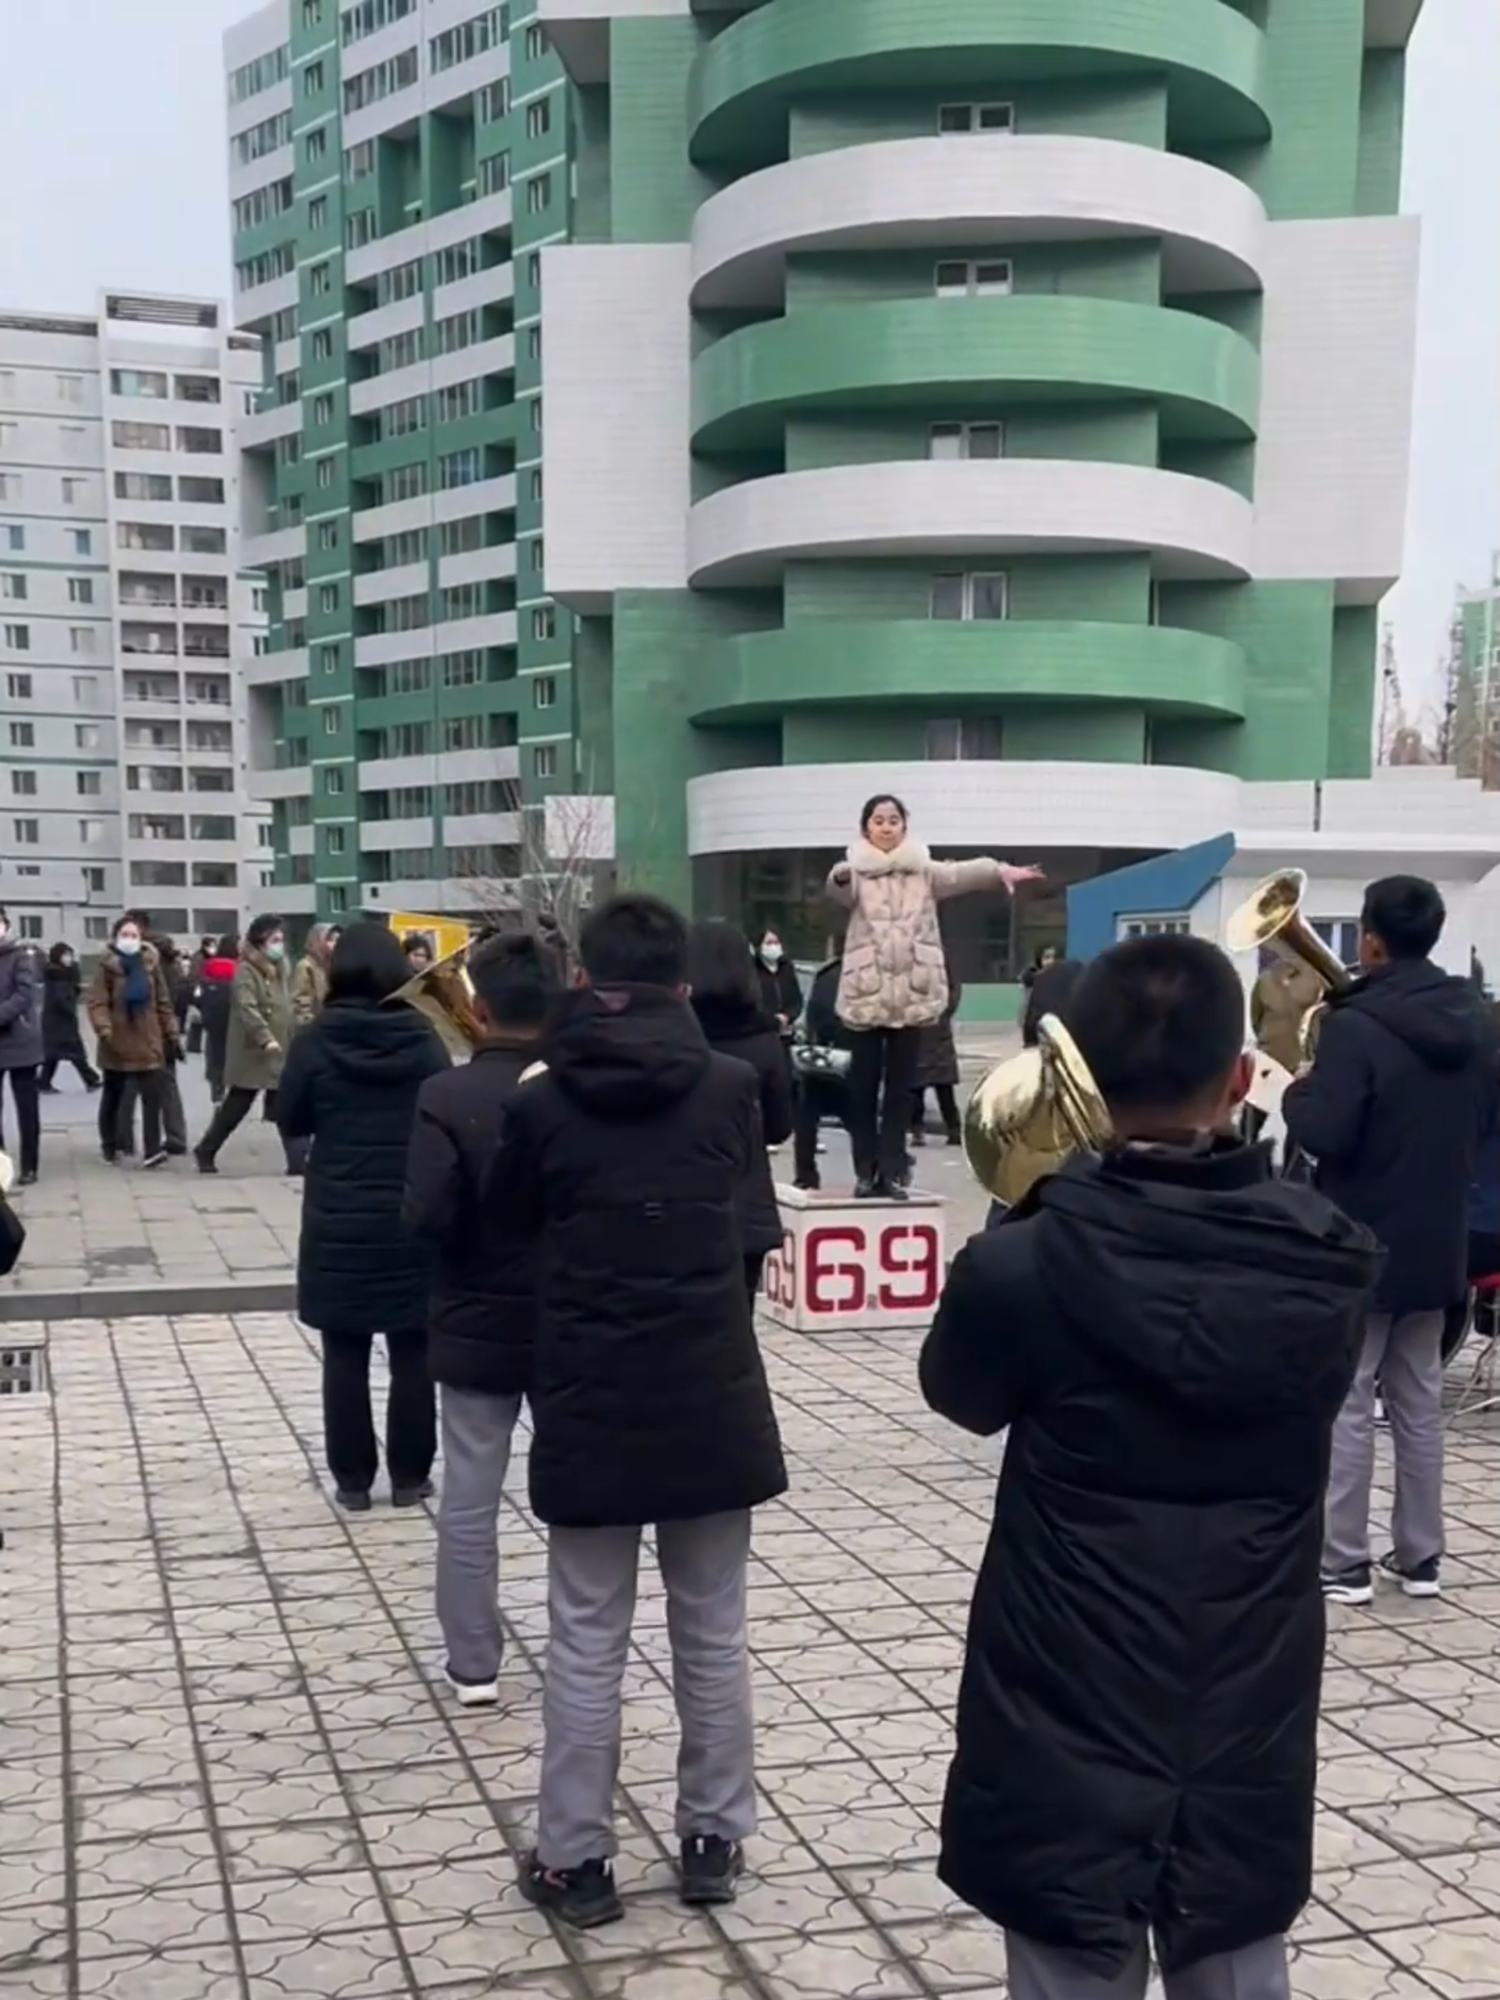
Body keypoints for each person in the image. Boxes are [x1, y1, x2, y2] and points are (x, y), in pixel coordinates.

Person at [922, 934, 1382, 2000]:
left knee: (1068, 1955)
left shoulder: (1023, 1262)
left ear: (1077, 1068)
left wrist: (1036, 1201)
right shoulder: (1329, 1257)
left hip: (1060, 1682)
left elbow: (958, 1391)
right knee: (1235, 1947)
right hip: (1247, 1684)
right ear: (1237, 1077)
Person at [487, 893, 787, 1929]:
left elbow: (506, 1224)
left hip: (590, 1391)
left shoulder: (539, 1102)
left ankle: (575, 1859)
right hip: (710, 1389)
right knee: (712, 1628)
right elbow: (754, 1230)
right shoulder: (732, 1088)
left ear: (586, 977)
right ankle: (712, 1838)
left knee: (584, 1633)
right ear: (682, 984)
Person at [1283, 876, 1498, 1605]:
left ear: (1370, 939)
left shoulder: (1354, 1024)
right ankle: (1422, 1558)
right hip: (1442, 1233)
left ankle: (1344, 1561)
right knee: (1418, 1400)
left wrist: (1296, 1092)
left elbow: (1328, 1133)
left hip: (1360, 1237)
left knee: (1348, 1401)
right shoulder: (1477, 1016)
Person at [403, 931, 562, 1704]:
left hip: (471, 1319)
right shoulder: (574, 1089)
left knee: (468, 1495)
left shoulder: (446, 1095)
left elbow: (425, 1214)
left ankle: (473, 1665)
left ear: (478, 1005)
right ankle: (583, 1648)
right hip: (567, 1322)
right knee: (577, 1496)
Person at [278, 923, 450, 1509]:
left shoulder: (313, 1041)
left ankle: (352, 1481)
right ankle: (409, 1476)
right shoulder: (423, 1038)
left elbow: (293, 1119)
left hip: (339, 1215)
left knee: (344, 1350)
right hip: (409, 1211)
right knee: (413, 1349)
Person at [827, 794, 1041, 1199]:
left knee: (901, 1091)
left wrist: (1000, 871)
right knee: (861, 1088)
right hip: (867, 993)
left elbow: (962, 874)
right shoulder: (854, 872)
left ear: (904, 826)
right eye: (878, 820)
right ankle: (863, 1170)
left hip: (912, 994)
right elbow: (837, 889)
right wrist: (840, 876)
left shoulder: (924, 872)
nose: (886, 827)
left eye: (894, 819)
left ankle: (891, 1172)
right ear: (865, 828)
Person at [687, 921, 795, 1304]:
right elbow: (780, 1127)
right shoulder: (764, 1039)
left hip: (680, 1207)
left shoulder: (676, 1034)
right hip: (745, 1204)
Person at [194, 916, 295, 1174]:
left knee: (285, 1103)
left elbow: (287, 1004)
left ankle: (298, 1160)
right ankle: (207, 1149)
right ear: (259, 942)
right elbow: (247, 1007)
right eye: (274, 940)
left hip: (280, 1046)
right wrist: (264, 1037)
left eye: (281, 940)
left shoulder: (282, 968)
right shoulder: (246, 969)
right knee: (238, 1103)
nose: (279, 945)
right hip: (254, 1048)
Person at [86, 915, 179, 1168]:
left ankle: (151, 1150)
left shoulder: (150, 963)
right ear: (116, 938)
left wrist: (171, 1031)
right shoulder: (107, 966)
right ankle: (110, 1144)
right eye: (124, 935)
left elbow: (162, 1001)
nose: (129, 939)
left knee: (152, 1097)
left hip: (148, 1038)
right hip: (116, 1039)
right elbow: (97, 1002)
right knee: (113, 1095)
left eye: (134, 935)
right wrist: (104, 1029)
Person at [790, 949, 853, 1192]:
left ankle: (805, 1174)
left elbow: (813, 1017)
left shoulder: (825, 974)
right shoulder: (853, 973)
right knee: (857, 1117)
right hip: (849, 1056)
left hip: (819, 1058)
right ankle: (871, 1169)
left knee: (807, 1118)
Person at [0, 913, 42, 1185]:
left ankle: (30, 1164)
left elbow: (25, 995)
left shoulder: (20, 956)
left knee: (26, 1107)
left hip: (20, 1039)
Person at [910, 958, 963, 1148]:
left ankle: (954, 1129)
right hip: (917, 1029)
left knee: (944, 1088)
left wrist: (943, 1011)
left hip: (937, 1031)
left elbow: (954, 990)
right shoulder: (912, 961)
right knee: (916, 1089)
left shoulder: (941, 961)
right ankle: (917, 1130)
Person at [1249, 952, 1325, 1078]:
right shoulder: (1265, 979)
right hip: (1272, 1061)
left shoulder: (1318, 979)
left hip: (1304, 1065)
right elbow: (1256, 1018)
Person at [39, 943, 100, 1095]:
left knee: (52, 1055)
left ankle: (43, 1082)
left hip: (55, 1022)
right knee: (76, 1054)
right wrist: (71, 1008)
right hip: (60, 1022)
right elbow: (62, 999)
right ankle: (91, 1080)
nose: (69, 958)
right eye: (66, 955)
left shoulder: (61, 974)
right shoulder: (57, 975)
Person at [193, 935, 238, 1105]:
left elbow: (198, 993)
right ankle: (231, 1097)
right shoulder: (238, 967)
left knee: (214, 1055)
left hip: (212, 1020)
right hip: (232, 1019)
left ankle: (216, 1094)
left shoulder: (209, 965)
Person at [751, 930, 802, 1041]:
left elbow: (796, 999)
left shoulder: (787, 968)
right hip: (762, 1033)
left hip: (786, 1032)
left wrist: (788, 1016)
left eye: (776, 942)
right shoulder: (751, 970)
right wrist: (772, 1020)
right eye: (769, 943)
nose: (774, 946)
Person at [291, 922, 340, 1030]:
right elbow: (301, 1004)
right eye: (330, 940)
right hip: (316, 1030)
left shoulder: (334, 966)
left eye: (338, 940)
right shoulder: (306, 966)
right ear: (318, 941)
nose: (335, 944)